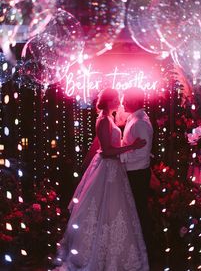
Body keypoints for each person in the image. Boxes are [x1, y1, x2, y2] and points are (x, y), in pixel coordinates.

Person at [53, 88, 149, 271]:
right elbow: (106, 151)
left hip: (113, 169)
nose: (120, 102)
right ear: (109, 101)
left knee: (112, 210)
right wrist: (131, 147)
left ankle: (111, 252)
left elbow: (99, 146)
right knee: (102, 208)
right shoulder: (104, 120)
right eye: (117, 99)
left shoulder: (109, 119)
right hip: (107, 168)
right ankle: (96, 253)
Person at [121, 87, 154, 261]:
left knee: (139, 211)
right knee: (136, 211)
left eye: (126, 98)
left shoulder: (140, 122)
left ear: (134, 101)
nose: (123, 101)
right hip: (134, 172)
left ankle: (147, 251)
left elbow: (142, 153)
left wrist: (119, 155)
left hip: (137, 173)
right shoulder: (134, 118)